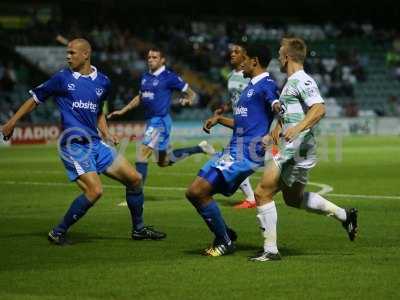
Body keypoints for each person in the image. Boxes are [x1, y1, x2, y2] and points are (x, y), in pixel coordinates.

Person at [1, 38, 166, 245]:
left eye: (72, 53)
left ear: (86, 54)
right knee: (95, 191)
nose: (67, 56)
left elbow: (98, 112)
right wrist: (12, 122)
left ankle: (139, 229)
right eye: (67, 53)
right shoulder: (61, 78)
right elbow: (35, 99)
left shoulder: (103, 81)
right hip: (74, 145)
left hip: (96, 144)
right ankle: (58, 232)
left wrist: (106, 133)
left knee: (134, 179)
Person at [249, 37, 358, 262]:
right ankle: (344, 215)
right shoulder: (290, 82)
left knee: (262, 192)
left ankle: (270, 250)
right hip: (296, 146)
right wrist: (274, 132)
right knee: (293, 198)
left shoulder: (301, 80)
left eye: (280, 54)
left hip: (296, 147)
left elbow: (319, 109)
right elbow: (288, 114)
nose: (278, 58)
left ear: (287, 57)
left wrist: (297, 129)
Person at [186, 43, 281, 257]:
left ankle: (224, 240)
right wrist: (219, 119)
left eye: (245, 59)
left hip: (245, 153)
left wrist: (277, 108)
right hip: (233, 150)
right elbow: (242, 124)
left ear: (254, 61)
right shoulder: (249, 87)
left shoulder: (266, 84)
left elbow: (274, 102)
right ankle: (224, 233)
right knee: (195, 192)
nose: (241, 64)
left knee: (197, 191)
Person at [107, 48, 215, 217]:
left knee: (142, 154)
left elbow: (192, 93)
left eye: (154, 57)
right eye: (149, 56)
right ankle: (199, 148)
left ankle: (136, 196)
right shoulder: (145, 77)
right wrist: (123, 110)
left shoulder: (169, 77)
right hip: (152, 121)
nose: (150, 59)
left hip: (160, 121)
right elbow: (140, 97)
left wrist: (188, 100)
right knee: (163, 162)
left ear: (162, 60)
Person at [213, 43, 257, 209]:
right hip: (239, 123)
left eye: (236, 52)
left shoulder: (251, 76)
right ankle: (251, 198)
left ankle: (251, 197)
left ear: (244, 56)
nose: (232, 54)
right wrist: (224, 108)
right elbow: (235, 99)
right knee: (237, 160)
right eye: (231, 52)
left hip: (251, 123)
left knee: (237, 159)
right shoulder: (231, 76)